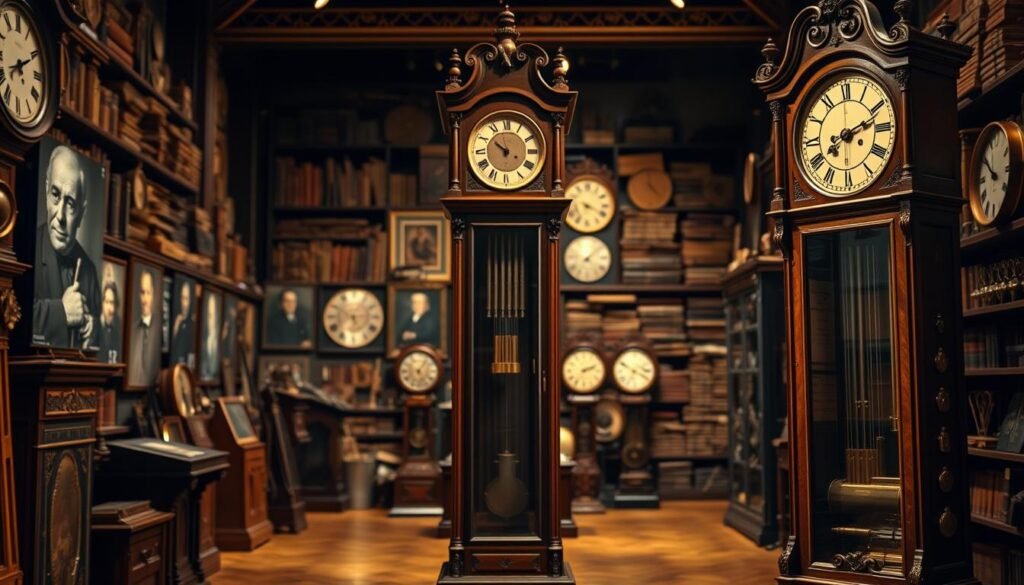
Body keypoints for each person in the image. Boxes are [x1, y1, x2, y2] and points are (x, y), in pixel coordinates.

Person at [33, 145, 101, 350]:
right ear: (46, 191)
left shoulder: (89, 270)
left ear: (81, 212)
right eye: (55, 194)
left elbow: (99, 341)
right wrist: (62, 312)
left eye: (70, 203)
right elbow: (11, 318)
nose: (60, 216)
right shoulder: (27, 249)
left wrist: (92, 327)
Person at [129, 269, 158, 387]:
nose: (145, 300)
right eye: (142, 292)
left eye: (148, 293)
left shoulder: (158, 331)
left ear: (153, 294)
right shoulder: (132, 330)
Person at [96, 280, 122, 363]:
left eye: (112, 303)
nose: (110, 308)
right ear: (102, 303)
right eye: (107, 302)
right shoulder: (94, 328)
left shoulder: (117, 334)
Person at [170, 281, 195, 367]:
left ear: (190, 300)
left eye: (186, 299)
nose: (184, 304)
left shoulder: (193, 324)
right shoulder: (176, 320)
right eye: (182, 298)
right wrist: (175, 328)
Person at [201, 295, 220, 381]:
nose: (210, 320)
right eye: (208, 316)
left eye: (212, 315)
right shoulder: (203, 339)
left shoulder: (219, 340)